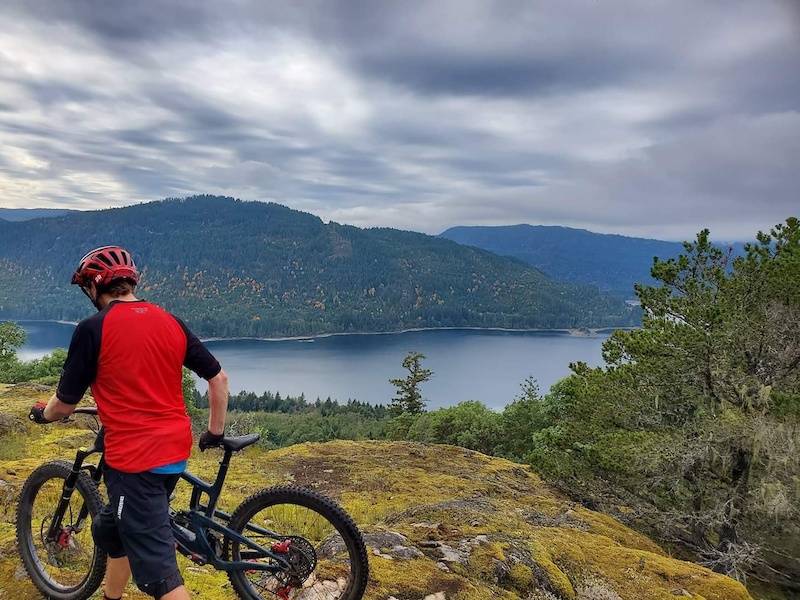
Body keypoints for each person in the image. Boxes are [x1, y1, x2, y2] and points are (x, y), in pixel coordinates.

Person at [29, 245, 229, 600]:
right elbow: (218, 379)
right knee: (111, 529)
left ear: (93, 288)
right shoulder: (170, 321)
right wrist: (214, 432)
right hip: (174, 452)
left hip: (135, 461)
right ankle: (111, 596)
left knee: (159, 577)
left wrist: (42, 413)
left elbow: (63, 405)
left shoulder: (93, 329)